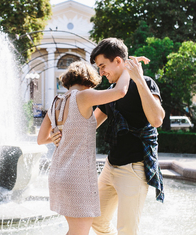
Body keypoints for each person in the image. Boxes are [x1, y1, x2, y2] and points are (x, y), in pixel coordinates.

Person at [53, 38, 165, 235]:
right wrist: (61, 135)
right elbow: (89, 126)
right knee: (95, 220)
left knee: (127, 230)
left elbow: (157, 119)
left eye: (103, 66)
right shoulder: (112, 93)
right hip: (110, 167)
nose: (101, 72)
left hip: (134, 168)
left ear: (119, 61)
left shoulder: (145, 83)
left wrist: (138, 79)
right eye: (98, 67)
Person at [37, 60, 131, 235]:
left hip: (58, 174)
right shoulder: (84, 96)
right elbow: (120, 91)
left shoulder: (56, 102)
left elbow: (41, 139)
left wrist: (54, 138)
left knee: (75, 230)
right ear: (89, 80)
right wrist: (127, 68)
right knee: (79, 232)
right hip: (77, 177)